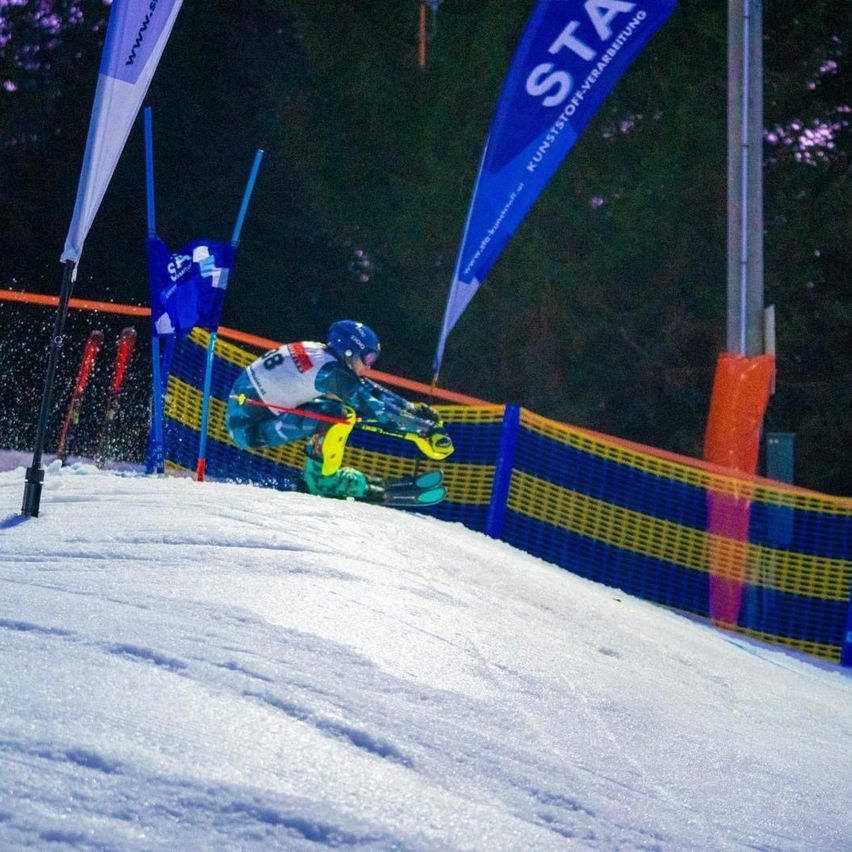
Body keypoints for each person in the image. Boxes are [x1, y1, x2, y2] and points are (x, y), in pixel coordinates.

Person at [225, 320, 454, 499]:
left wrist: (412, 410)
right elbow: (375, 409)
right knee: (340, 415)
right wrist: (424, 429)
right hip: (250, 429)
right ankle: (322, 481)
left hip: (249, 415)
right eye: (368, 358)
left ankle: (319, 473)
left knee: (337, 410)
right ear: (350, 351)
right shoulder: (329, 372)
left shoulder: (320, 354)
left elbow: (367, 389)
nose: (369, 366)